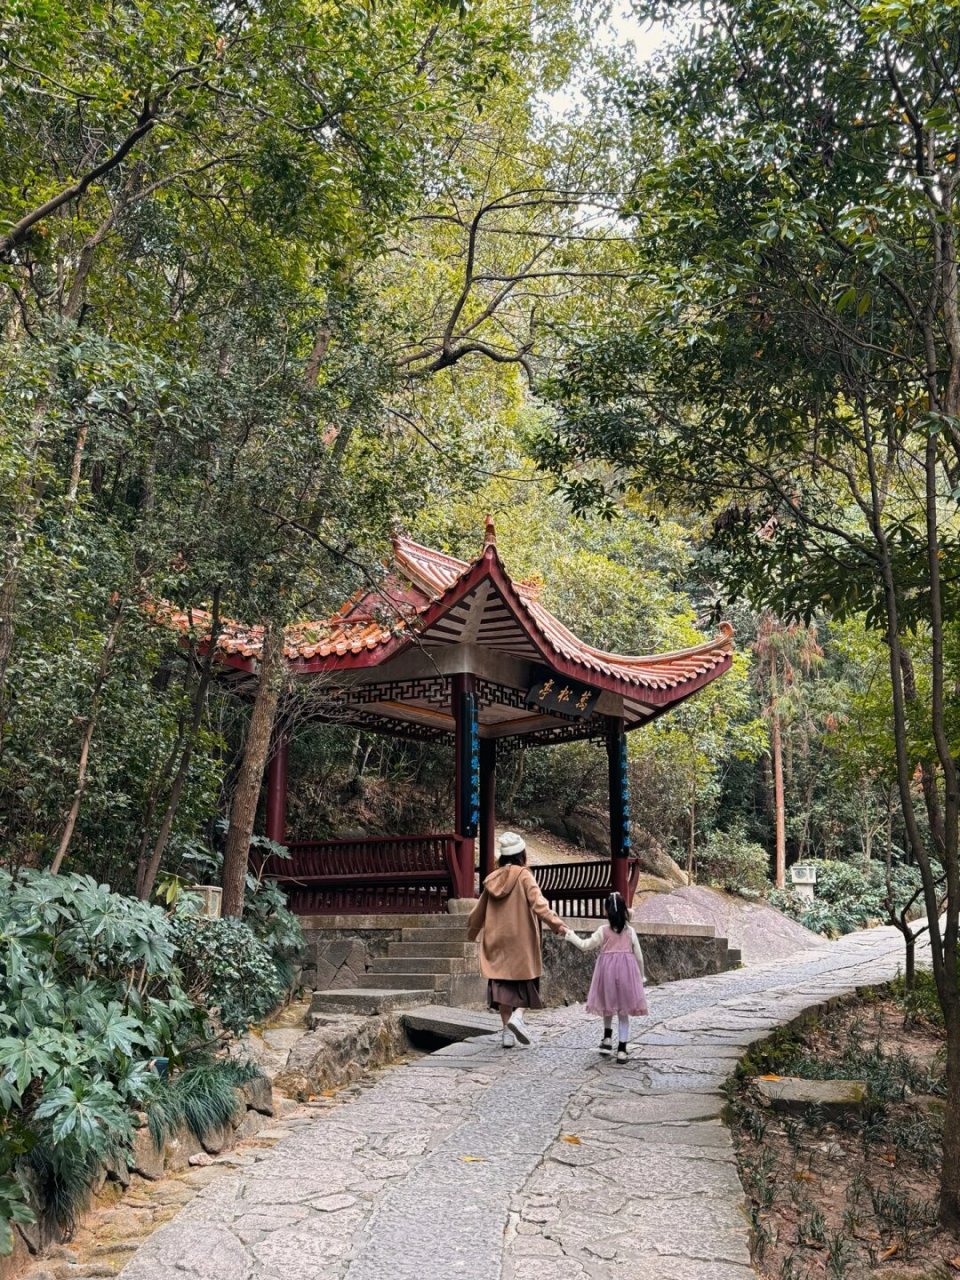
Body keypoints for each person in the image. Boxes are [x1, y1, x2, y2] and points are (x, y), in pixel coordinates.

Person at [467, 831, 567, 1048]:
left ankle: (506, 1033)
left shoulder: (492, 879)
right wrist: (556, 923)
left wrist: (472, 932)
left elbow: (479, 910)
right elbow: (539, 903)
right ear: (522, 854)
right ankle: (518, 1016)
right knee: (526, 983)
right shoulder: (524, 876)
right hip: (521, 940)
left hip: (497, 939)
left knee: (502, 987)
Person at [565, 891, 648, 1063]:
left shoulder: (603, 931)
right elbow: (639, 957)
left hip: (607, 975)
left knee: (608, 1006)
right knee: (623, 1012)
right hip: (626, 976)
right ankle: (622, 1050)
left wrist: (571, 935)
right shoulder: (630, 932)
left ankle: (607, 1038)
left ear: (606, 911)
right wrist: (641, 976)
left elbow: (585, 945)